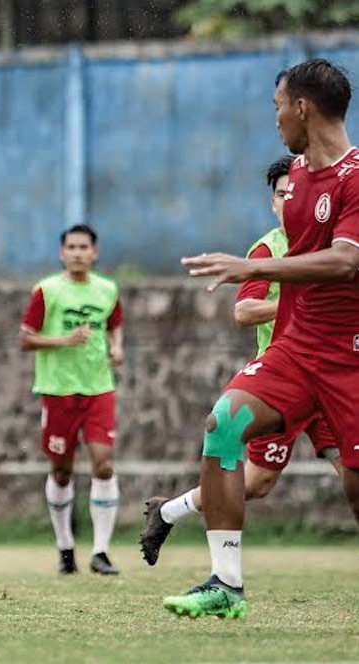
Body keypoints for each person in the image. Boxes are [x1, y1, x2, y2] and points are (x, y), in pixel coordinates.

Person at [169, 58, 359, 619]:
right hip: (297, 351)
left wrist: (254, 271)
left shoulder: (358, 177)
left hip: (351, 357)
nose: (275, 119)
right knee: (223, 426)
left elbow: (346, 263)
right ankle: (225, 585)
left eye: (278, 106)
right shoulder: (296, 180)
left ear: (302, 107)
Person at [140, 156, 344, 566]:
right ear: (273, 203)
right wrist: (296, 302)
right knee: (255, 483)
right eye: (282, 195)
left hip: (332, 377)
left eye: (296, 193)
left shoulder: (334, 246)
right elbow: (244, 311)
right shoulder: (269, 249)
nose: (289, 201)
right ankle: (169, 513)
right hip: (285, 382)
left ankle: (168, 512)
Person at [19, 223, 124, 576]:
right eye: (72, 247)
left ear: (95, 253)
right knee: (62, 471)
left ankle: (101, 551)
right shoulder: (47, 291)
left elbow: (114, 322)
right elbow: (26, 339)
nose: (78, 253)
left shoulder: (107, 290)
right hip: (58, 391)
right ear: (62, 253)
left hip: (98, 388)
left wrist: (117, 347)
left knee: (103, 464)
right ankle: (66, 548)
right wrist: (63, 340)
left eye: (84, 247)